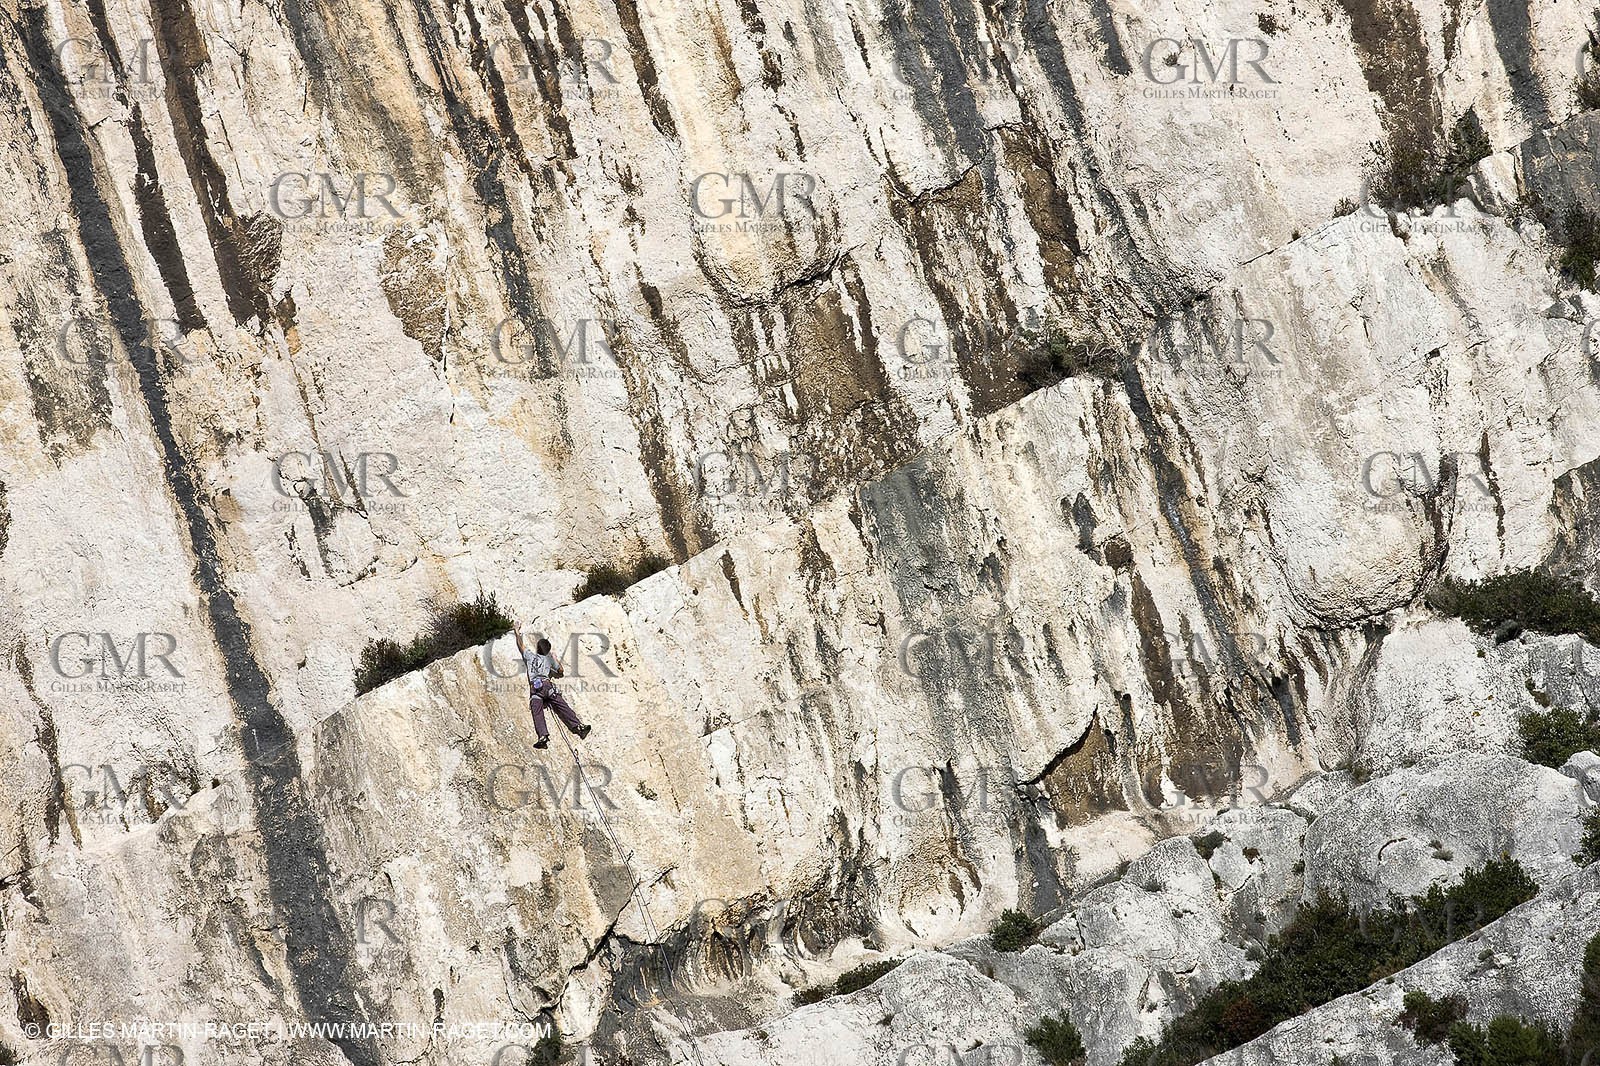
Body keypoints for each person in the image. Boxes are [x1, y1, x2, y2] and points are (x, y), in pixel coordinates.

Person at [513, 623, 591, 748]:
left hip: (535, 688)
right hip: (547, 686)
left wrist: (516, 631)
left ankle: (543, 736)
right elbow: (560, 671)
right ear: (547, 650)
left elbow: (520, 645)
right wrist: (555, 658)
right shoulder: (549, 659)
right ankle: (578, 726)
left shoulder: (530, 656)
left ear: (537, 648)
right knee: (561, 705)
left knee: (537, 711)